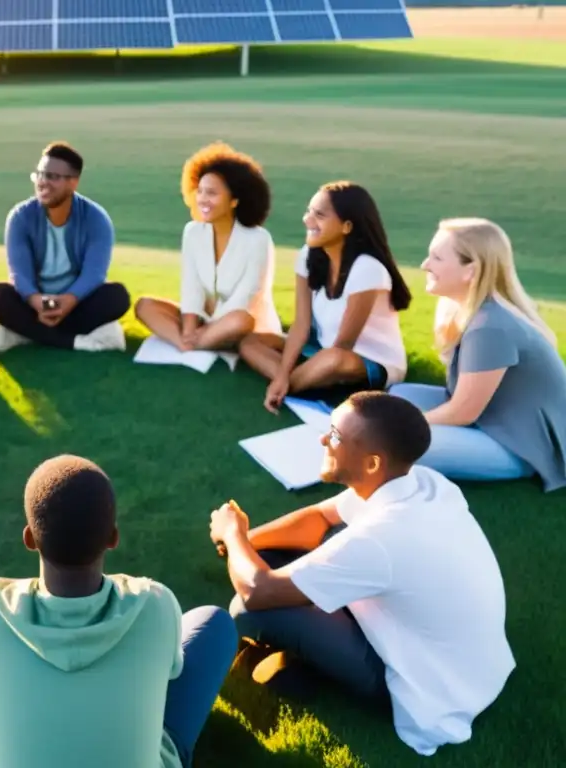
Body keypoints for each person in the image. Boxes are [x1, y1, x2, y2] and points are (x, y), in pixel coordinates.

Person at [212, 391, 515, 757]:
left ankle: (304, 666)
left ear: (372, 463)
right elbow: (319, 519)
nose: (324, 439)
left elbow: (257, 592)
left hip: (418, 685)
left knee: (248, 608)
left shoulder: (380, 538)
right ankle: (299, 658)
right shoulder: (423, 483)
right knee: (265, 558)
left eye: (335, 435)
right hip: (467, 662)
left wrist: (233, 533)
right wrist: (246, 542)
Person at [0, 455, 236, 768]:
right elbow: (173, 671)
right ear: (113, 537)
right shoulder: (156, 603)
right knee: (215, 624)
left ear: (29, 538)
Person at [390, 218, 566, 490]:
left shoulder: (490, 327)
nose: (425, 265)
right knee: (397, 398)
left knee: (395, 442)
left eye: (436, 258)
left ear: (470, 271)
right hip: (493, 418)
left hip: (519, 446)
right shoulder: (471, 311)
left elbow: (462, 412)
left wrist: (398, 426)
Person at [238, 182, 412, 411]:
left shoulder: (367, 269)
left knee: (332, 360)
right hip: (322, 349)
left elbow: (343, 345)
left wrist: (289, 374)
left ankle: (292, 385)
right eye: (309, 211)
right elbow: (301, 325)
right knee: (250, 342)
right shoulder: (307, 256)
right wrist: (281, 374)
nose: (307, 220)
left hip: (365, 359)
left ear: (347, 226)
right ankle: (293, 382)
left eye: (319, 215)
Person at [0, 142, 131, 354]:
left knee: (117, 297)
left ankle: (25, 332)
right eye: (40, 175)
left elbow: (95, 274)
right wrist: (37, 301)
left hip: (76, 303)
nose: (43, 182)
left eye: (52, 176)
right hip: (34, 303)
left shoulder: (96, 218)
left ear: (73, 183)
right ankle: (77, 341)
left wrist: (69, 300)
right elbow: (19, 273)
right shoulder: (20, 217)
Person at [136, 142, 281, 351]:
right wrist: (188, 329)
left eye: (212, 193)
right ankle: (187, 345)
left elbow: (247, 297)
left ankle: (201, 342)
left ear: (234, 201)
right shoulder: (193, 232)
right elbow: (191, 287)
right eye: (200, 191)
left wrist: (208, 329)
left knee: (240, 319)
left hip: (241, 325)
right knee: (145, 306)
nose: (203, 199)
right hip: (205, 322)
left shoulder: (258, 239)